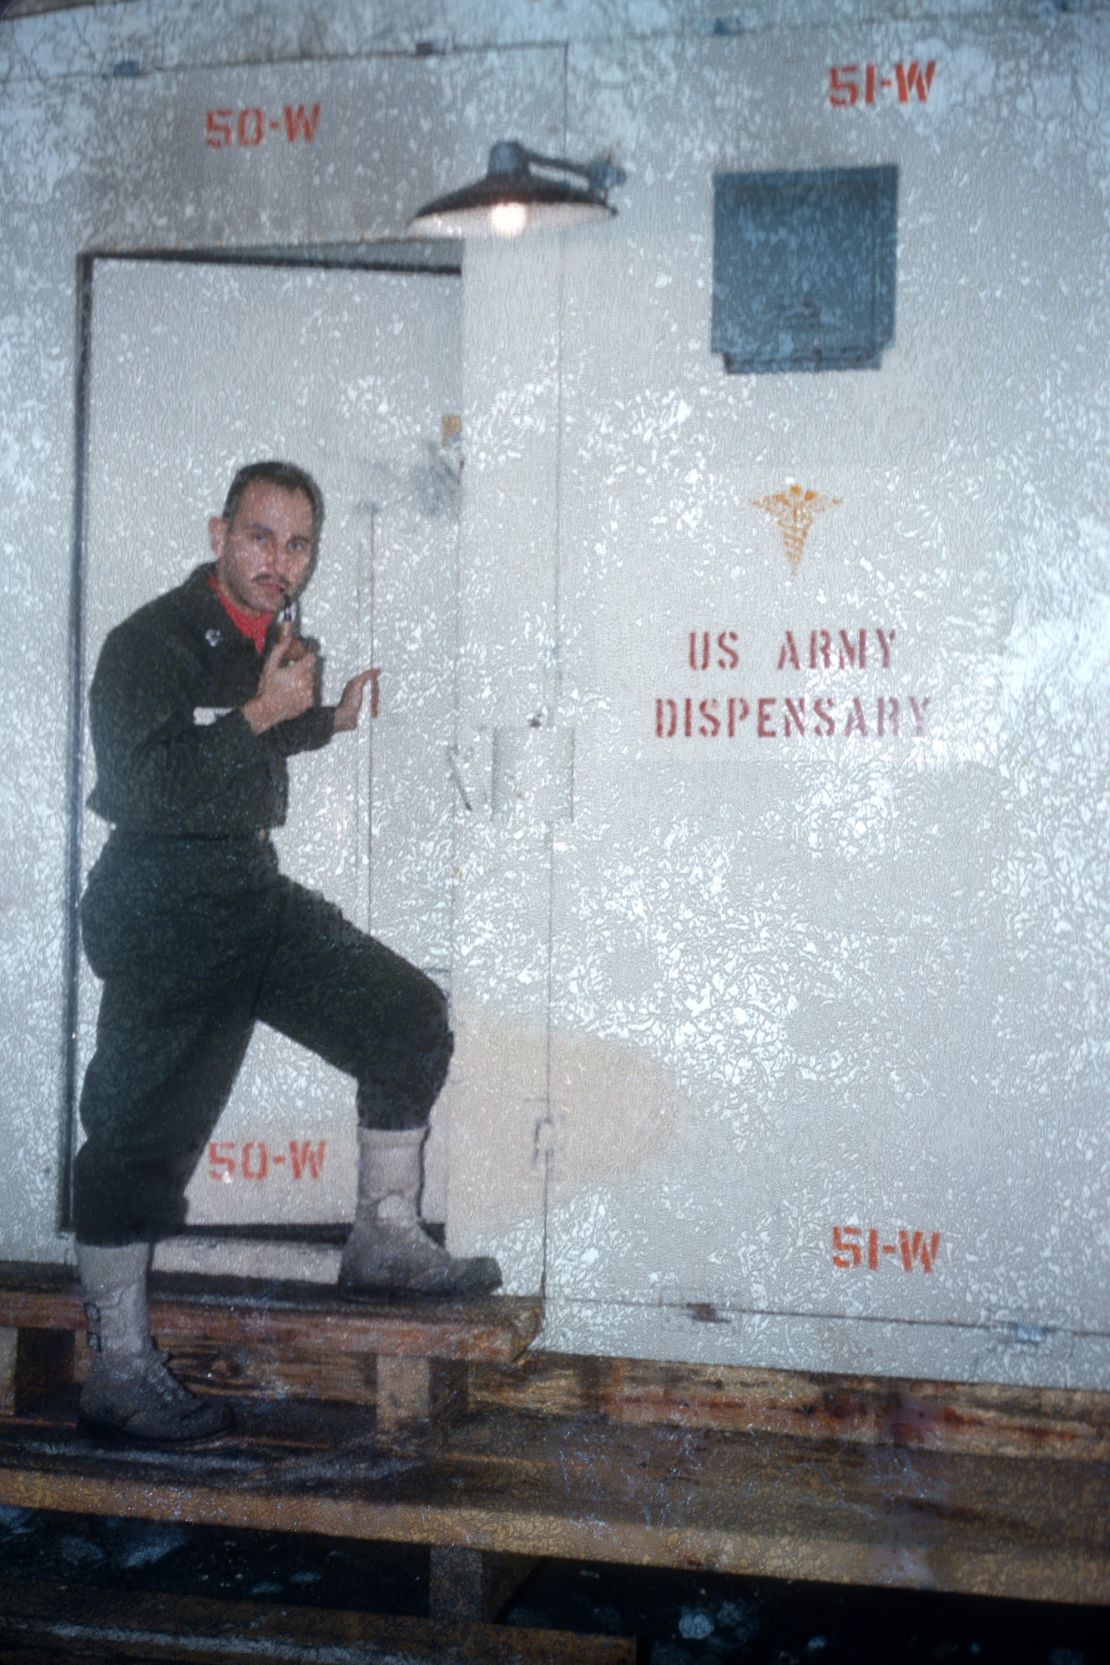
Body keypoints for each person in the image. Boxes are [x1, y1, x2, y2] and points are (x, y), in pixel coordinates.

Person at [74, 460, 500, 1444]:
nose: (279, 562)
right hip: (160, 898)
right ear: (219, 530)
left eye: (297, 544)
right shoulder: (148, 643)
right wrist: (265, 716)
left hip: (243, 890)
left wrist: (325, 720)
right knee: (141, 1130)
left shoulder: (277, 639)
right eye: (260, 537)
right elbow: (143, 784)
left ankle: (384, 1240)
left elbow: (256, 731)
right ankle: (120, 1371)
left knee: (401, 1018)